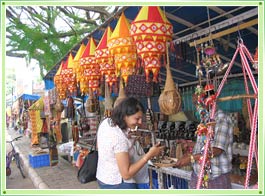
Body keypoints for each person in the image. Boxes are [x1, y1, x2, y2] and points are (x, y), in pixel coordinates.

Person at [96, 97, 165, 189]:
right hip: (119, 184)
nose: (140, 122)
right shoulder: (119, 138)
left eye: (141, 118)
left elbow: (99, 146)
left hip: (103, 177)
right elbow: (126, 174)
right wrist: (149, 155)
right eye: (137, 118)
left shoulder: (106, 122)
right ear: (125, 116)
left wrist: (128, 139)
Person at [175, 85, 233, 189]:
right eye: (195, 103)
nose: (197, 106)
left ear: (207, 100)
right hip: (198, 175)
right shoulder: (206, 118)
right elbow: (206, 144)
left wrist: (191, 158)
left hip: (215, 179)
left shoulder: (220, 118)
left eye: (197, 102)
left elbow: (217, 150)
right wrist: (190, 144)